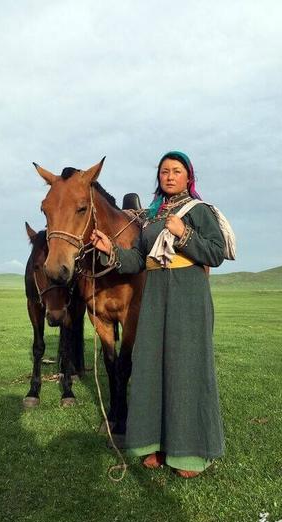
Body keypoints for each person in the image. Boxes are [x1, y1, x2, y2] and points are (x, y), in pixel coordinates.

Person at [90, 151, 233, 478]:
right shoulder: (152, 217)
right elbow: (138, 260)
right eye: (164, 171)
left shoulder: (199, 211)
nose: (169, 176)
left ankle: (190, 454)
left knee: (185, 368)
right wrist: (109, 250)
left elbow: (216, 252)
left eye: (176, 171)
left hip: (188, 294)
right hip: (155, 295)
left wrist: (184, 233)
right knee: (151, 366)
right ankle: (152, 442)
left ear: (188, 177)